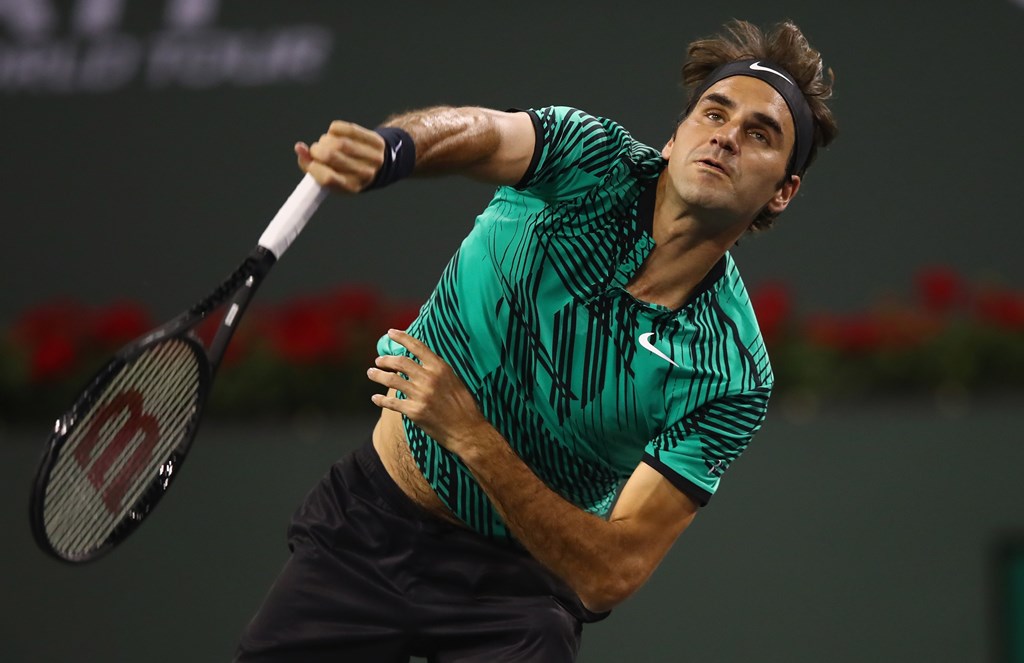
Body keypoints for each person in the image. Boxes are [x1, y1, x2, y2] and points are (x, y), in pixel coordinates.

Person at [236, 18, 838, 663]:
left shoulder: (731, 371)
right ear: (675, 136)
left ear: (782, 192)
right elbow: (480, 131)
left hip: (512, 598)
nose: (725, 138)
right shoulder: (587, 158)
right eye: (713, 113)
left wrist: (470, 434)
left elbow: (608, 576)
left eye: (759, 134)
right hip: (369, 529)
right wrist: (395, 150)